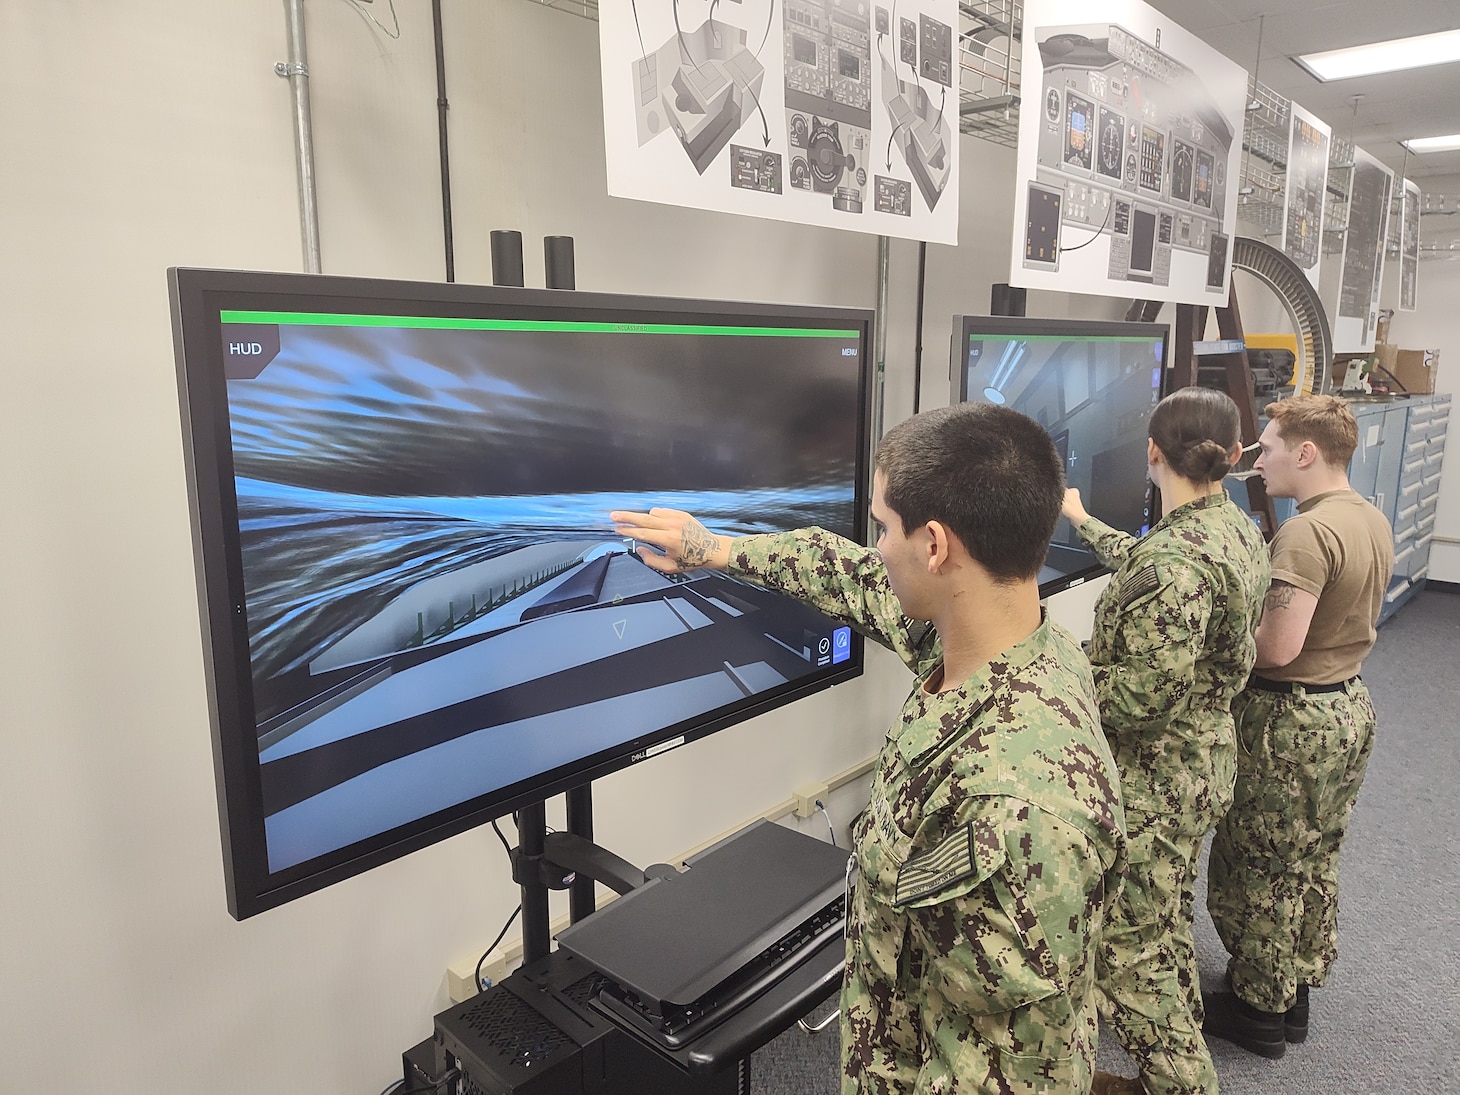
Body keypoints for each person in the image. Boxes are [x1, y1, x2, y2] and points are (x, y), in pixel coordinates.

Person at [611, 402, 1126, 1095]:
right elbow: (850, 575)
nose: (876, 546)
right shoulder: (1011, 642)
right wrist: (716, 549)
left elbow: (1007, 1067)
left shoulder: (1020, 809)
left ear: (937, 546)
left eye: (884, 526)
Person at [1060, 388, 1270, 1095]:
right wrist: (1083, 520)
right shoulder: (1229, 528)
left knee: (1127, 950)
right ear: (1234, 455)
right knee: (1164, 921)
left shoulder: (1174, 564)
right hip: (1206, 762)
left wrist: (1056, 675)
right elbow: (1153, 566)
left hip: (1157, 778)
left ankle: (1182, 1080)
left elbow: (1140, 702)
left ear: (1153, 451)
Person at [1202, 394, 1395, 1059]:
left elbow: (1277, 645)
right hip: (1345, 706)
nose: (1258, 463)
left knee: (1258, 862)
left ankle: (1256, 1009)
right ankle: (1291, 988)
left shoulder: (1306, 532)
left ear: (1306, 453)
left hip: (1290, 720)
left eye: (1269, 447)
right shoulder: (1366, 515)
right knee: (1311, 855)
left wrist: (1212, 640)